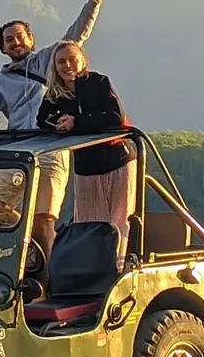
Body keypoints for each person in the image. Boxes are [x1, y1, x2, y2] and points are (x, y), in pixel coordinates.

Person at [0, 0, 110, 257]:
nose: (15, 42)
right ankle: (29, 247)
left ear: (31, 39)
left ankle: (49, 280)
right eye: (8, 40)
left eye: (19, 36)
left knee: (43, 221)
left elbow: (76, 35)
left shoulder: (48, 60)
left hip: (51, 149)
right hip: (16, 150)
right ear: (2, 48)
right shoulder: (0, 81)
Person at [38, 40, 135, 270]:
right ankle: (91, 272)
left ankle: (116, 271)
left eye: (72, 60)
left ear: (84, 61)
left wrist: (77, 122)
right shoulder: (54, 95)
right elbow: (42, 121)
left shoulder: (99, 83)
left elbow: (114, 118)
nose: (67, 65)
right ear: (55, 66)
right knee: (89, 222)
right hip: (86, 166)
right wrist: (58, 125)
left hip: (118, 159)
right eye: (61, 62)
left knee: (119, 221)